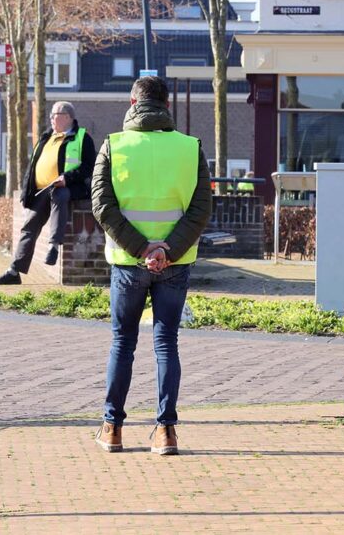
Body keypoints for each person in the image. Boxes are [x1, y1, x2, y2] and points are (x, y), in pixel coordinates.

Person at [91, 76, 211, 455]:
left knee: (122, 343)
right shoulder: (191, 149)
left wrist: (142, 248)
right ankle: (166, 431)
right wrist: (167, 250)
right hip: (175, 263)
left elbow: (102, 207)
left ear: (132, 102)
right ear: (168, 105)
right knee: (166, 344)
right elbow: (201, 210)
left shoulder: (114, 146)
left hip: (128, 262)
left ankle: (112, 428)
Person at [0, 101, 96, 285]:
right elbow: (32, 167)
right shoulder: (46, 137)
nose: (51, 118)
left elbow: (89, 166)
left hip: (69, 188)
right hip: (43, 190)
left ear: (67, 117)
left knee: (60, 195)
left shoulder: (82, 138)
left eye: (54, 114)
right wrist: (26, 192)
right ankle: (14, 271)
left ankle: (53, 246)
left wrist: (67, 178)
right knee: (29, 227)